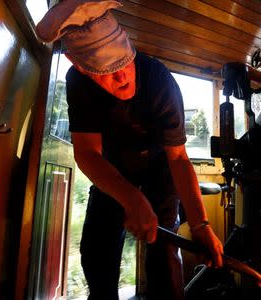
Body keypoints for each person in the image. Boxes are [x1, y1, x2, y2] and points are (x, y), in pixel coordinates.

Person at [36, 1, 223, 299]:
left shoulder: (159, 80)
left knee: (164, 251)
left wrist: (201, 224)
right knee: (96, 249)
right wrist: (131, 197)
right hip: (112, 167)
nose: (122, 77)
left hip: (161, 168)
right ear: (79, 67)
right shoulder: (78, 84)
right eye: (107, 72)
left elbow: (178, 158)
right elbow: (87, 153)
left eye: (124, 62)